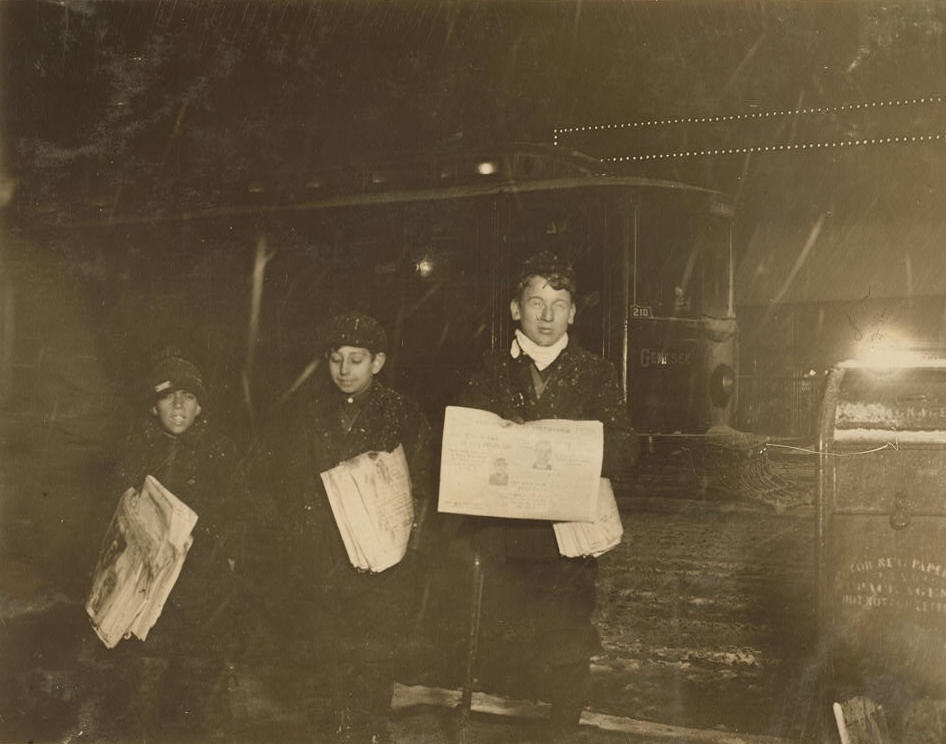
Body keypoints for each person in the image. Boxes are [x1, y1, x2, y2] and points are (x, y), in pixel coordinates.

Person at [456, 250, 638, 742]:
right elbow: (463, 449)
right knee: (506, 639)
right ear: (516, 309)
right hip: (504, 535)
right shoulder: (490, 370)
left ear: (574, 313)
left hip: (567, 538)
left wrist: (571, 448)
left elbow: (625, 450)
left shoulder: (596, 373)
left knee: (566, 641)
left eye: (559, 303)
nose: (546, 314)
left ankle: (562, 729)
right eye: (535, 302)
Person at [276, 312, 433, 744]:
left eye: (357, 360)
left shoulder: (403, 413)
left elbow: (421, 488)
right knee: (328, 653)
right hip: (325, 558)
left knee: (374, 655)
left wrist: (407, 555)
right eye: (336, 359)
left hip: (384, 565)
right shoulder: (309, 414)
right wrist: (305, 545)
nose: (344, 371)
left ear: (377, 362)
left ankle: (368, 731)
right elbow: (291, 486)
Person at [100, 349, 249, 742]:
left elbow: (240, 517)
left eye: (189, 397)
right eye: (168, 396)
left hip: (204, 593)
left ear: (201, 407)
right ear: (154, 407)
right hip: (148, 593)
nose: (179, 405)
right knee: (143, 684)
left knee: (205, 687)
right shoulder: (136, 450)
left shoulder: (222, 452)